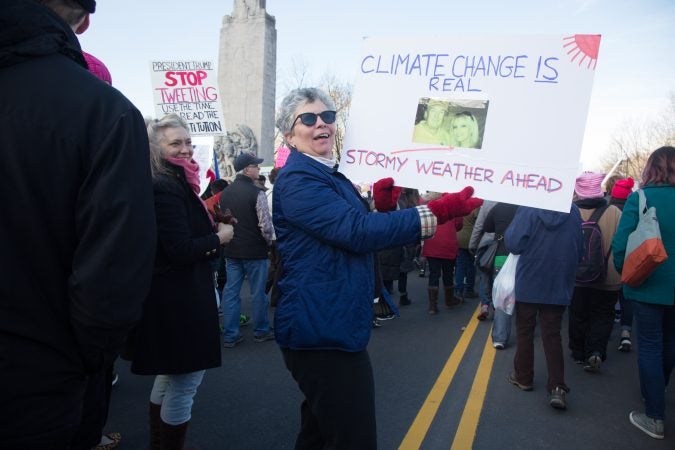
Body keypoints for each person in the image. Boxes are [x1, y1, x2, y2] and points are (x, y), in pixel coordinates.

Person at [273, 87, 482, 449]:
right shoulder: (298, 181)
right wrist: (437, 211)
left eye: (328, 116)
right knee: (352, 439)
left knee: (321, 433)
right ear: (290, 135)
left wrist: (384, 209)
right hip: (321, 328)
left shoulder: (327, 174)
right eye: (308, 118)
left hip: (329, 322)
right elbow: (354, 232)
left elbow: (351, 227)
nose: (321, 123)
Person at [0, 1, 157, 449]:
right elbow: (111, 280)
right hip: (35, 387)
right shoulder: (102, 113)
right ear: (84, 21)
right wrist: (87, 362)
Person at [127, 114, 234, 449]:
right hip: (179, 299)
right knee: (185, 382)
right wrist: (221, 238)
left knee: (171, 375)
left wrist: (211, 225)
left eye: (188, 142)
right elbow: (178, 249)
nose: (186, 149)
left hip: (175, 296)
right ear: (155, 149)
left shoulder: (174, 182)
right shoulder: (166, 187)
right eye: (176, 143)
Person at [611, 146, 675, 440]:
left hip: (648, 286)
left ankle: (654, 415)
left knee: (649, 345)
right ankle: (657, 389)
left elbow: (622, 245)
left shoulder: (641, 199)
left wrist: (628, 271)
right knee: (670, 345)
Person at [505, 204, 584, 410]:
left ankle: (523, 377)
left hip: (530, 277)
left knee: (525, 330)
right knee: (552, 334)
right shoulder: (573, 211)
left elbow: (513, 244)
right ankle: (557, 386)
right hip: (559, 279)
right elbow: (579, 247)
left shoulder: (529, 207)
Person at [219, 152, 275, 347]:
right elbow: (265, 226)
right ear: (246, 169)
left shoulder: (225, 192)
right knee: (258, 293)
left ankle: (230, 334)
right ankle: (261, 330)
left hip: (232, 249)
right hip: (254, 250)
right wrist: (268, 243)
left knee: (231, 292)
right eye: (256, 166)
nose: (259, 169)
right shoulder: (256, 193)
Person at [568, 172, 622, 372]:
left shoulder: (570, 211)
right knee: (603, 314)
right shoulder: (614, 212)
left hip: (577, 275)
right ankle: (596, 351)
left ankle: (578, 352)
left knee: (578, 313)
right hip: (609, 276)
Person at [483, 202, 519, 348]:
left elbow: (487, 227)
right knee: (524, 297)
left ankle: (499, 337)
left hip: (501, 254)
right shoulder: (526, 207)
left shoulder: (499, 207)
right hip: (524, 258)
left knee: (503, 296)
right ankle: (526, 328)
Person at [609, 177, 635, 352]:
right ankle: (625, 332)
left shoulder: (608, 210)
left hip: (608, 261)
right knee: (626, 298)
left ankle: (606, 327)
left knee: (607, 298)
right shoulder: (634, 211)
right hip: (631, 260)